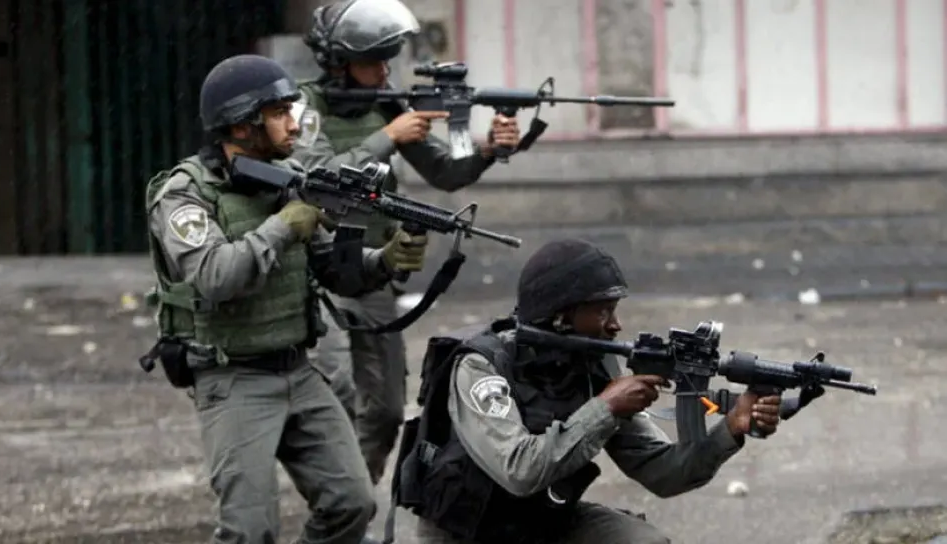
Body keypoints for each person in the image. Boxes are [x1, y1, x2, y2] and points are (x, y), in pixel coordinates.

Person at [143, 53, 431, 544]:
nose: (294, 124)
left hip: (298, 370)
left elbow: (334, 271)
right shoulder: (185, 193)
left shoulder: (290, 176)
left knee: (351, 504)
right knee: (250, 530)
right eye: (278, 113)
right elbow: (214, 277)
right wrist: (282, 227)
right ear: (241, 125)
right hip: (233, 377)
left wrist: (385, 260)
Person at [394, 238, 783, 544]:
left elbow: (662, 472)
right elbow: (519, 470)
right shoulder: (482, 366)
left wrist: (729, 428)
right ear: (561, 315)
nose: (615, 326)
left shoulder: (592, 366)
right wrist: (605, 408)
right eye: (602, 311)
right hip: (468, 534)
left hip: (540, 523)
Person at [294, 0, 524, 487]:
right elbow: (317, 177)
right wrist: (387, 136)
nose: (384, 72)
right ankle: (337, 506)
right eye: (372, 61)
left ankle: (350, 504)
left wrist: (488, 147)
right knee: (336, 393)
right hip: (318, 273)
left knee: (384, 412)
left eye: (387, 60)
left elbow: (445, 171)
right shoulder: (303, 108)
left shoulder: (386, 105)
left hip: (373, 270)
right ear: (338, 62)